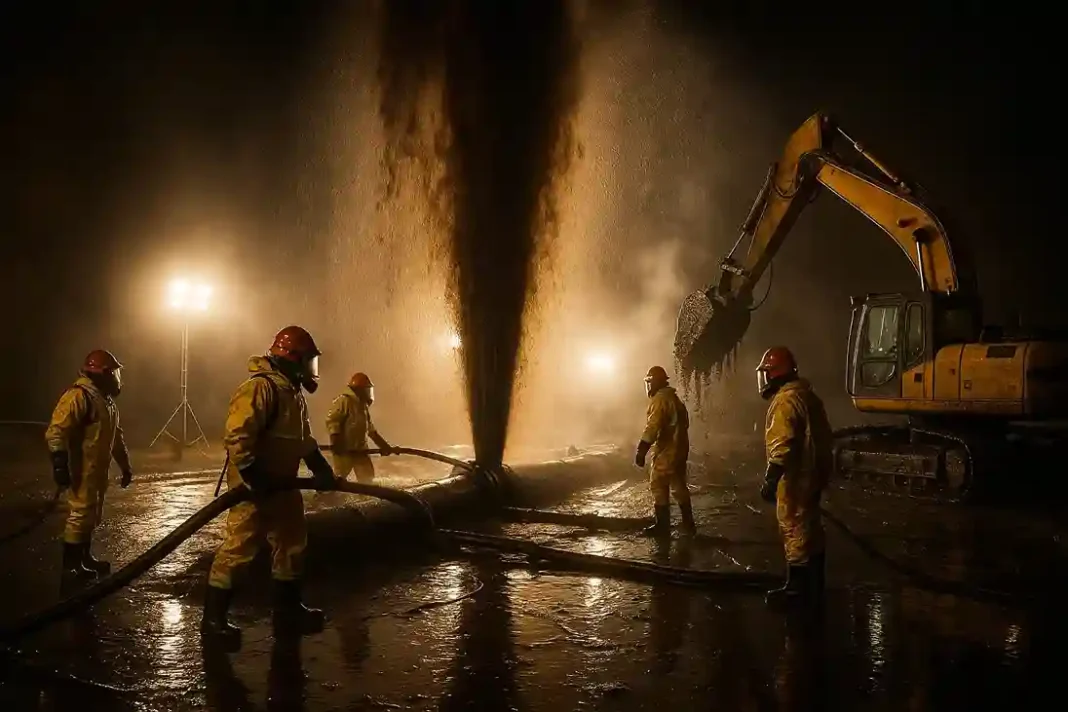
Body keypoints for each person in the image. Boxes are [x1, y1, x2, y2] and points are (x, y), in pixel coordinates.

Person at [201, 326, 338, 647]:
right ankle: (213, 621)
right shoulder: (260, 388)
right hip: (255, 487)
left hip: (283, 484)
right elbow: (238, 435)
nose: (311, 369)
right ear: (292, 358)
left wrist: (319, 465)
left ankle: (288, 611)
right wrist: (253, 475)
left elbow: (301, 438)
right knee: (239, 548)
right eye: (308, 361)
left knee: (292, 544)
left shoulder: (291, 392)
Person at [45, 349, 134, 580]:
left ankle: (84, 558)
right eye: (112, 373)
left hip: (96, 471)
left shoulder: (105, 401)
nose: (116, 378)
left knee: (91, 515)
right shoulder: (78, 396)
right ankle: (71, 567)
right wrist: (60, 465)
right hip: (82, 469)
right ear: (101, 373)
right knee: (80, 515)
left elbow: (116, 438)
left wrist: (125, 465)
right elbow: (56, 431)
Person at [756, 346, 833, 608]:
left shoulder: (785, 401)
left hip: (796, 475)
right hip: (813, 472)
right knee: (811, 526)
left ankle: (797, 590)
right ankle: (815, 583)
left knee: (793, 526)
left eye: (767, 373)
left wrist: (771, 478)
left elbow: (783, 442)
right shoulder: (807, 396)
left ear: (773, 373)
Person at [634, 365, 696, 537]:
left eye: (650, 382)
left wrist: (641, 450)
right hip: (679, 449)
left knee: (658, 484)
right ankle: (688, 525)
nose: (649, 386)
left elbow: (653, 427)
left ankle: (662, 526)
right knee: (678, 485)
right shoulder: (674, 399)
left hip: (667, 450)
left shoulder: (660, 400)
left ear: (655, 382)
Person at [325, 372, 396, 483]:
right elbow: (333, 422)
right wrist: (336, 442)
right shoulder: (344, 401)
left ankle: (366, 494)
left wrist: (384, 446)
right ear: (359, 390)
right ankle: (330, 493)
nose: (368, 394)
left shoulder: (362, 407)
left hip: (360, 451)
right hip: (345, 452)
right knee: (338, 479)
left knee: (367, 479)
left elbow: (371, 431)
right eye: (366, 390)